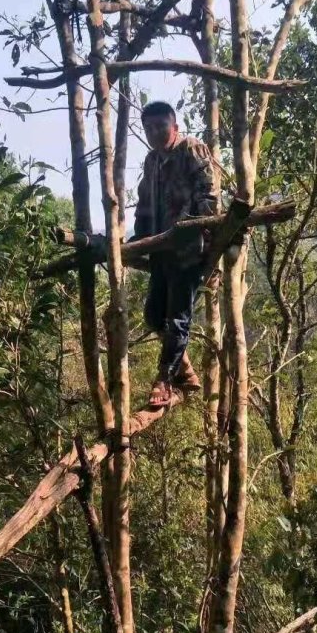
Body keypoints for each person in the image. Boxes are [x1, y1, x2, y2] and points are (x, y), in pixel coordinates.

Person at [132, 100, 217, 408]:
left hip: (187, 249)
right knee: (154, 315)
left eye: (160, 126)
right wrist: (139, 238)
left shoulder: (191, 148)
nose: (155, 133)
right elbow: (144, 201)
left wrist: (206, 239)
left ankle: (165, 379)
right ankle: (187, 371)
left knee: (177, 317)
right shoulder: (152, 160)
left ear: (174, 126)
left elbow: (208, 195)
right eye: (149, 128)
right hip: (160, 248)